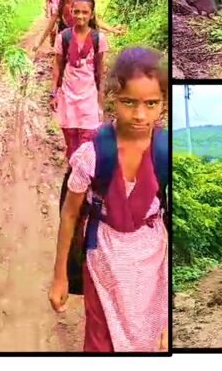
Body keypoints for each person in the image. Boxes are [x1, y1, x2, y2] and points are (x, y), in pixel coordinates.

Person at [49, 46, 170, 352]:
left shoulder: (166, 152)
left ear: (163, 103)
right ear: (113, 98)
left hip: (151, 263)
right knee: (100, 341)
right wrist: (60, 275)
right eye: (129, 102)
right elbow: (70, 214)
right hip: (103, 260)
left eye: (151, 104)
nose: (140, 115)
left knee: (144, 337)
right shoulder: (93, 154)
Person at [50, 0, 108, 162]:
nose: (80, 16)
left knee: (87, 143)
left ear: (91, 14)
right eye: (76, 12)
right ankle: (72, 172)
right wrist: (53, 94)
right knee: (71, 143)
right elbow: (57, 66)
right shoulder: (63, 37)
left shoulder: (98, 39)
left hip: (89, 99)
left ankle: (81, 174)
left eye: (85, 12)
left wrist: (100, 102)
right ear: (71, 11)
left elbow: (100, 72)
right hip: (68, 97)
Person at [34, 0, 124, 56]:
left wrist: (112, 29)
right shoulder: (60, 8)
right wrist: (39, 43)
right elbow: (49, 27)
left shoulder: (81, 5)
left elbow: (95, 20)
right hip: (67, 44)